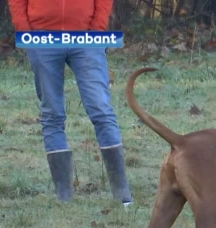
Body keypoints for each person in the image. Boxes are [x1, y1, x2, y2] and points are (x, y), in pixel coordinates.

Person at [7, 0, 132, 205]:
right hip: (41, 39)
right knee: (52, 113)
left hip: (86, 39)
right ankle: (64, 198)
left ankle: (122, 195)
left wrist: (96, 30)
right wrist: (26, 31)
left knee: (101, 109)